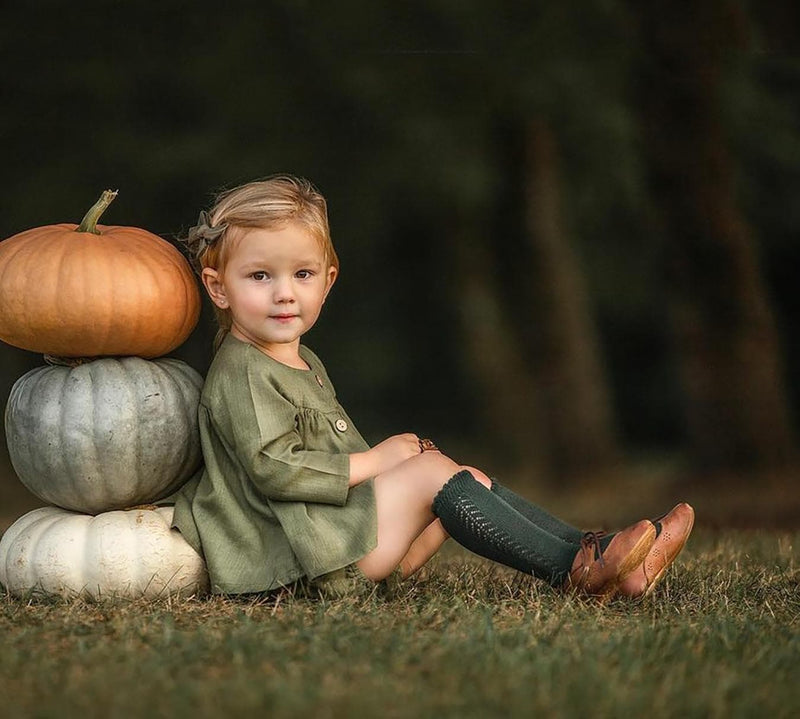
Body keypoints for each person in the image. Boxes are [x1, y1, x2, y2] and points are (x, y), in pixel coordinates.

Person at [171, 174, 694, 601]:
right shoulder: (241, 371)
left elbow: (328, 457)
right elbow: (274, 468)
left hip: (335, 537)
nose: (285, 294)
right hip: (299, 564)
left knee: (469, 477)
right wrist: (381, 460)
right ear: (218, 286)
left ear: (328, 281)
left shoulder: (300, 358)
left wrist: (393, 466)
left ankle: (601, 555)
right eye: (260, 276)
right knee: (432, 476)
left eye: (302, 274)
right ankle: (577, 571)